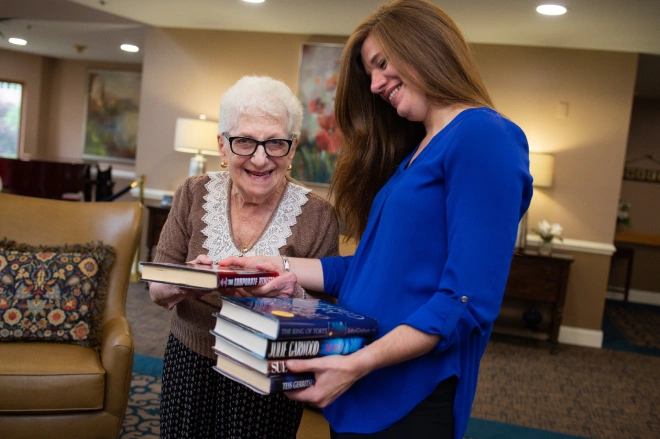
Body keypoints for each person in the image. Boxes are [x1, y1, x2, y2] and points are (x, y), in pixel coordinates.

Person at [215, 1, 534, 438]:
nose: (376, 83)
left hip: (410, 391)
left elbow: (466, 301)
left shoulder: (483, 135)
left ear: (426, 45)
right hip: (362, 384)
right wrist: (279, 266)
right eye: (370, 73)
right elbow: (371, 266)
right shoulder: (419, 150)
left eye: (382, 63)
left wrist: (357, 363)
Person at [149, 75, 339, 438]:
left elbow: (324, 322)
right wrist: (189, 281)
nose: (260, 158)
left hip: (266, 373)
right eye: (245, 142)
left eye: (275, 143)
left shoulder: (318, 217)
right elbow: (157, 289)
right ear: (222, 146)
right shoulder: (192, 193)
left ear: (293, 148)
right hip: (190, 360)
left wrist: (289, 299)